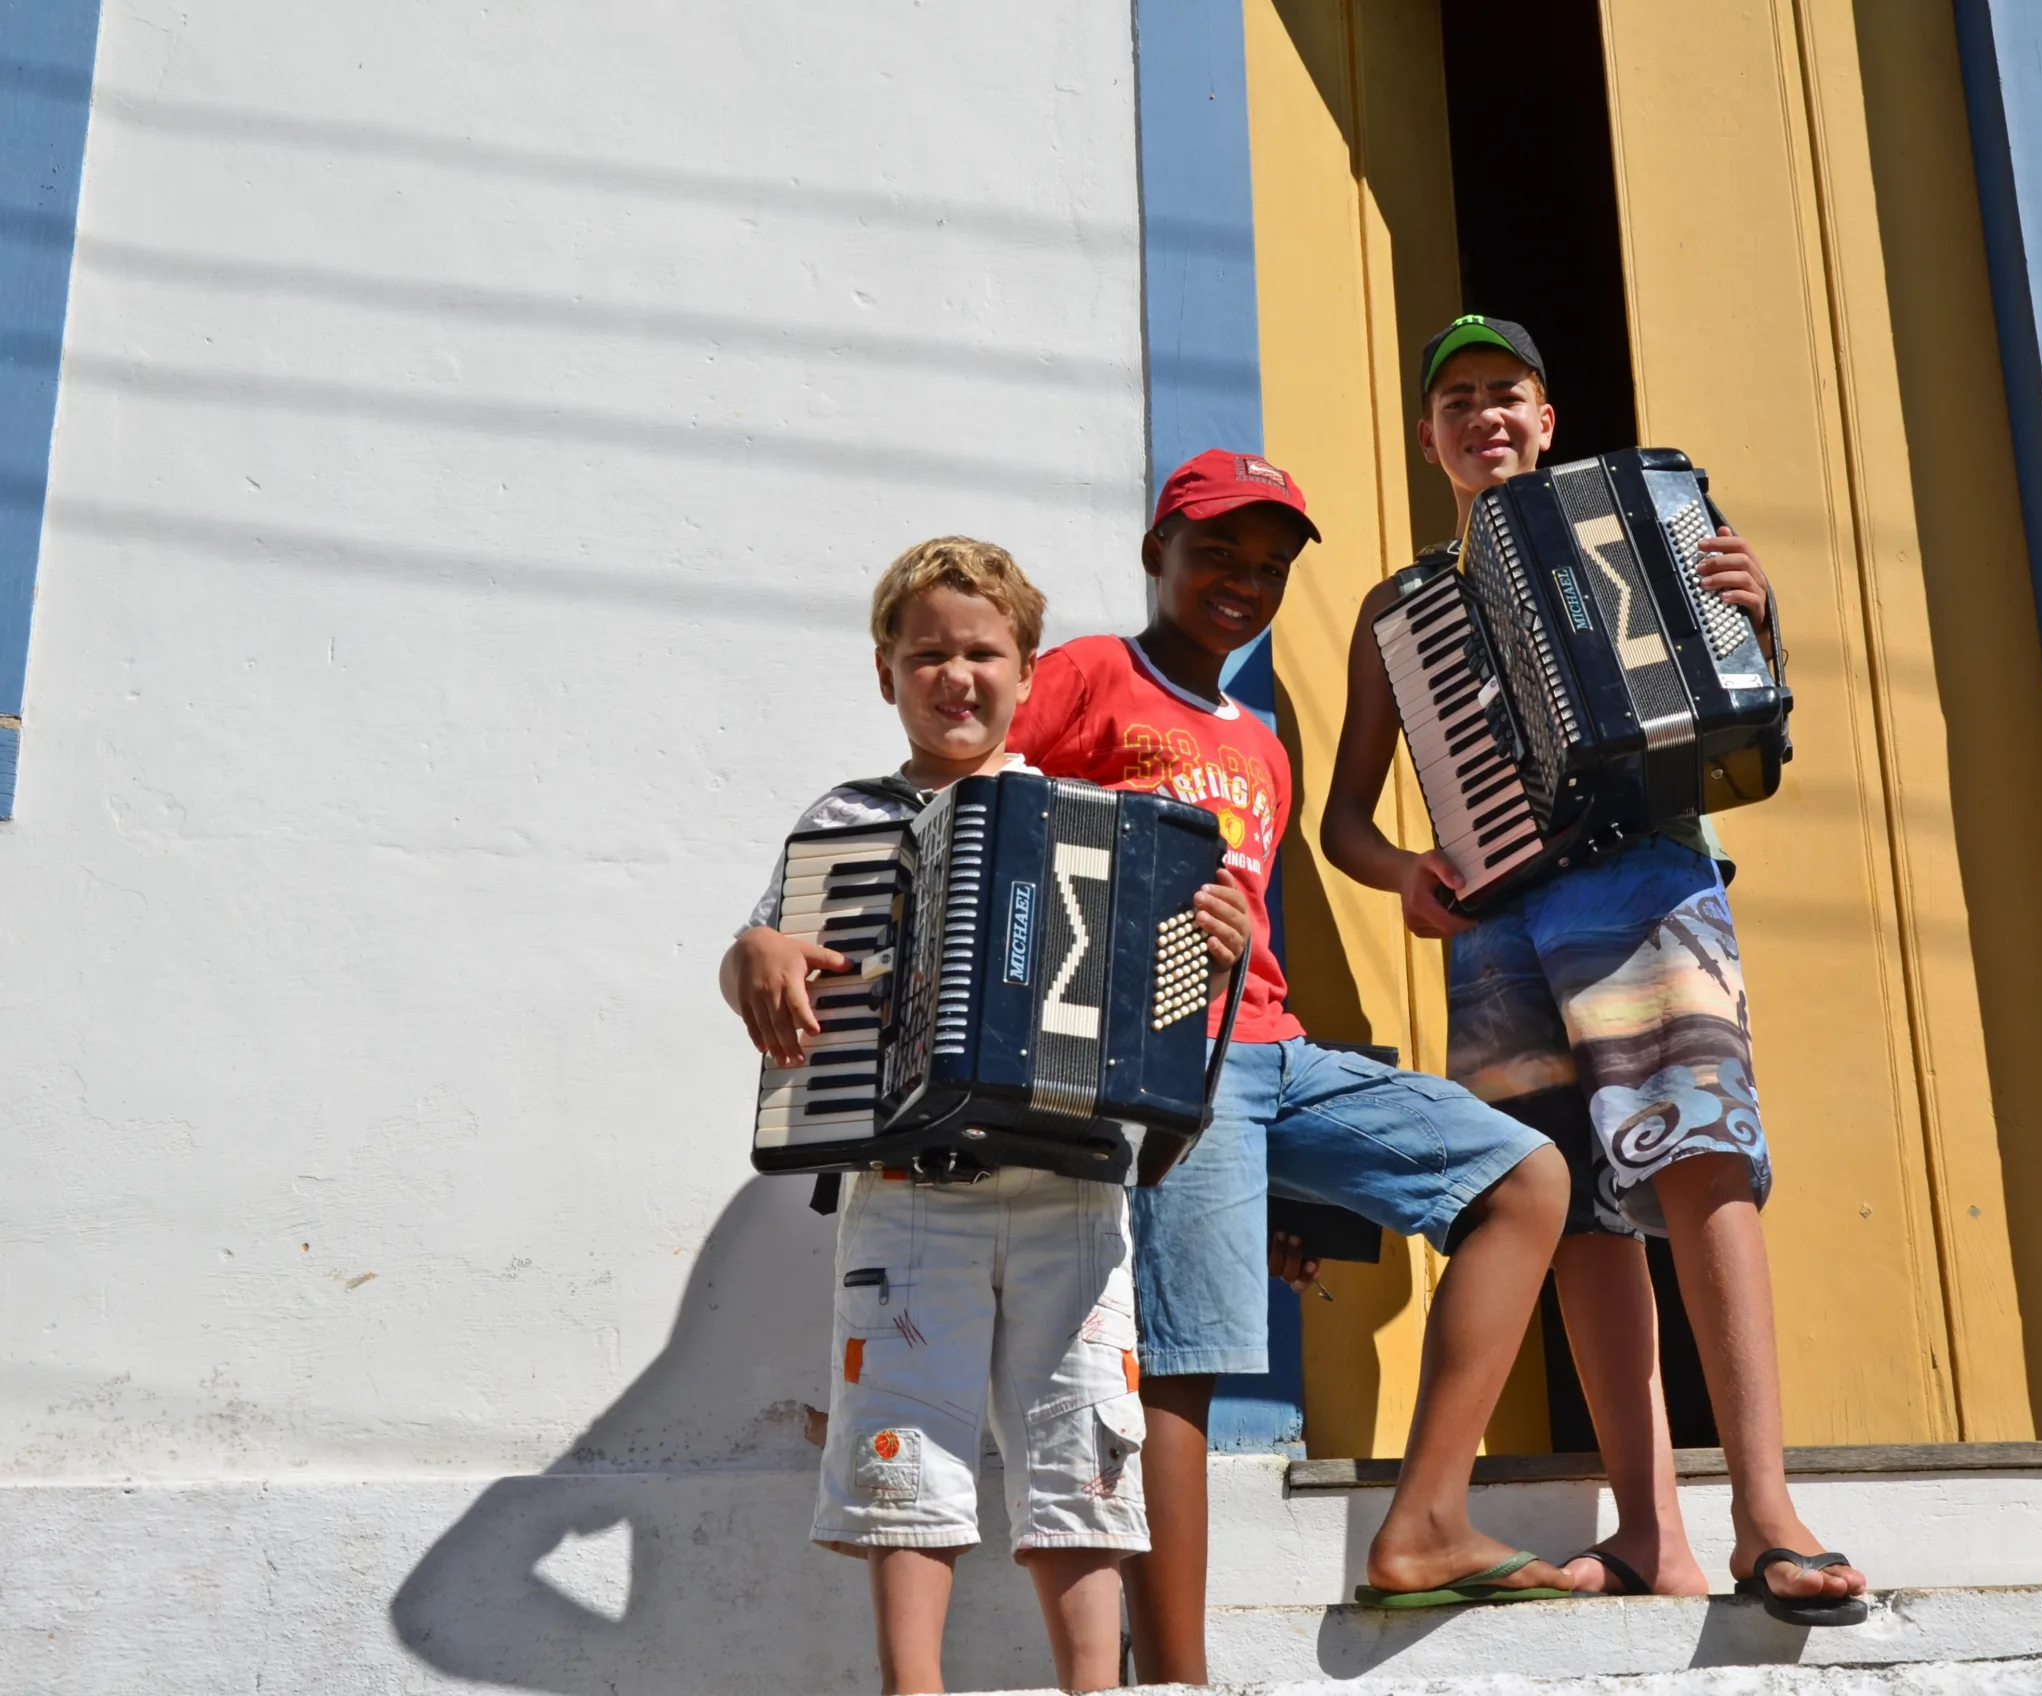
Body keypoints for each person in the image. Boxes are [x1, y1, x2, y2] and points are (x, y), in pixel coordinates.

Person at [1318, 316, 1869, 1627]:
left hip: (1644, 878)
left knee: (1701, 1156)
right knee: (1566, 1212)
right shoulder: (1401, 610)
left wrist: (1757, 614)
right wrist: (1404, 869)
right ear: (1427, 437)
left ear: (1547, 418)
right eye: (1456, 402)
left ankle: (1766, 1516)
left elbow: (1742, 708)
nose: (1483, 418)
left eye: (1505, 394)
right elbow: (1341, 816)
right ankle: (1648, 1533)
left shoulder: (1648, 519)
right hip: (1504, 924)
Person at [1006, 449, 1578, 1679]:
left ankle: (1422, 1524)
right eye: (1217, 552)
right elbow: (980, 805)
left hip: (1275, 1052)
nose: (1242, 581)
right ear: (1157, 548)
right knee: (1191, 1358)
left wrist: (1288, 1175)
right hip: (1168, 1065)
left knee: (1524, 1177)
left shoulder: (1263, 743)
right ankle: (1178, 1675)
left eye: (1269, 569)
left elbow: (1257, 946)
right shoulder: (1090, 674)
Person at [719, 537, 1245, 1693]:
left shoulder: (1103, 822)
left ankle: (1091, 1685)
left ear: (1027, 665)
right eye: (927, 656)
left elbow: (1168, 1010)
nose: (955, 676)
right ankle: (914, 1687)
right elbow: (767, 953)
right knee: (904, 1440)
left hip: (1074, 1191)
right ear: (885, 674)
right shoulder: (847, 820)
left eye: (981, 652)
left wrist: (1211, 953)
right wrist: (752, 952)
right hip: (911, 1188)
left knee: (1084, 1443)